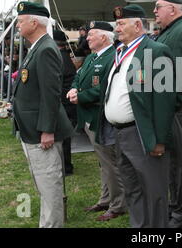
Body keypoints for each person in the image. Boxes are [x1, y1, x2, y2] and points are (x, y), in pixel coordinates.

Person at [100, 4, 176, 228]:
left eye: (122, 23)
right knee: (132, 189)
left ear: (138, 25)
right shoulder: (121, 51)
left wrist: (159, 139)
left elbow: (164, 100)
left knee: (153, 190)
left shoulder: (155, 50)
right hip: (120, 133)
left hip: (142, 133)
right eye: (116, 24)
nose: (117, 29)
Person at [13, 1, 74, 228]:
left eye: (20, 21)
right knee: (43, 184)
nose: (17, 26)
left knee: (49, 186)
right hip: (32, 129)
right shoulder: (37, 46)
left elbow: (51, 95)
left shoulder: (46, 48)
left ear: (34, 22)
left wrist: (47, 129)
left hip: (42, 132)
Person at [67, 21, 127, 221]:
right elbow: (79, 77)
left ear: (103, 37)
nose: (87, 38)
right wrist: (75, 88)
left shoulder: (113, 57)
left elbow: (106, 88)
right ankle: (105, 199)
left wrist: (81, 96)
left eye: (91, 34)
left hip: (101, 117)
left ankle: (118, 205)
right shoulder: (93, 57)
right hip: (88, 116)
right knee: (103, 162)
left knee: (110, 163)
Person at [153, 0, 182, 228]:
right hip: (170, 110)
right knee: (171, 166)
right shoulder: (169, 32)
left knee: (179, 167)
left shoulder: (181, 33)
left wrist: (171, 110)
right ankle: (175, 209)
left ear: (173, 9)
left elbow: (181, 78)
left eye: (158, 6)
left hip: (177, 111)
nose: (154, 11)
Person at [53, 29, 77, 176]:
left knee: (63, 138)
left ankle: (65, 166)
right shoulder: (64, 57)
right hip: (66, 103)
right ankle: (65, 165)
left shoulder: (59, 58)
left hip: (64, 104)